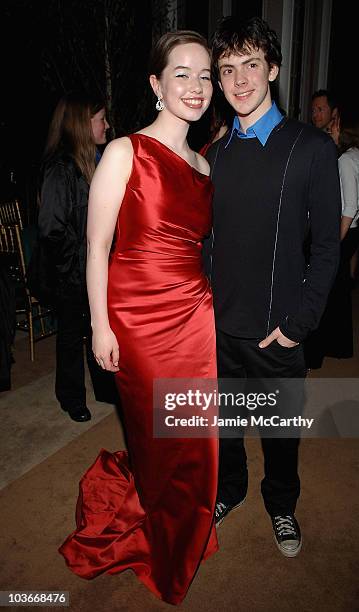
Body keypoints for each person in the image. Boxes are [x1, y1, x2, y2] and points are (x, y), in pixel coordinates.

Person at [59, 31, 218, 605]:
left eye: (204, 75)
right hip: (140, 320)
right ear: (156, 85)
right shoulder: (126, 151)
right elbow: (97, 244)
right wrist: (101, 325)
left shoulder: (203, 163)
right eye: (182, 73)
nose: (196, 86)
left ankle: (188, 520)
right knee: (156, 432)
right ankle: (160, 517)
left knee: (193, 432)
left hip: (195, 316)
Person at [205, 16, 341, 557]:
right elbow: (205, 243)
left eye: (252, 65)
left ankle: (282, 506)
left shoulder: (311, 148)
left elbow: (328, 249)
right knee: (226, 430)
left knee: (280, 433)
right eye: (228, 70)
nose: (240, 81)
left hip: (277, 334)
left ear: (274, 69)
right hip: (219, 330)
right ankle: (229, 490)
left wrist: (297, 325)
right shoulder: (213, 156)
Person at [38, 92, 118, 422]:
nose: (107, 125)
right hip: (71, 273)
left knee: (98, 328)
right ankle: (71, 398)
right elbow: (51, 231)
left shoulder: (95, 161)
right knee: (72, 336)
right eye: (101, 119)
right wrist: (75, 271)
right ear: (83, 124)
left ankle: (105, 388)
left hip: (93, 269)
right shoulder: (61, 168)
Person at [305, 111, 359, 368]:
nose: (332, 128)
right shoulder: (358, 156)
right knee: (339, 294)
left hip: (343, 231)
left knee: (324, 296)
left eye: (336, 124)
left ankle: (314, 354)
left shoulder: (345, 161)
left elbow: (349, 207)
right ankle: (338, 346)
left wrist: (332, 245)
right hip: (353, 230)